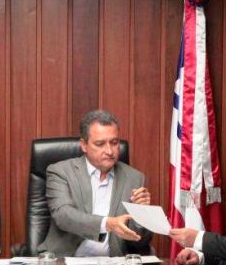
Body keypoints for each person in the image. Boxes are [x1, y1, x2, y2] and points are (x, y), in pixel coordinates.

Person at [38, 109, 152, 257]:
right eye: (100, 144)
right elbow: (64, 216)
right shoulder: (60, 172)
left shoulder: (134, 177)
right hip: (65, 263)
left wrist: (141, 214)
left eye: (114, 142)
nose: (110, 151)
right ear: (84, 145)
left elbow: (140, 242)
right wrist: (108, 224)